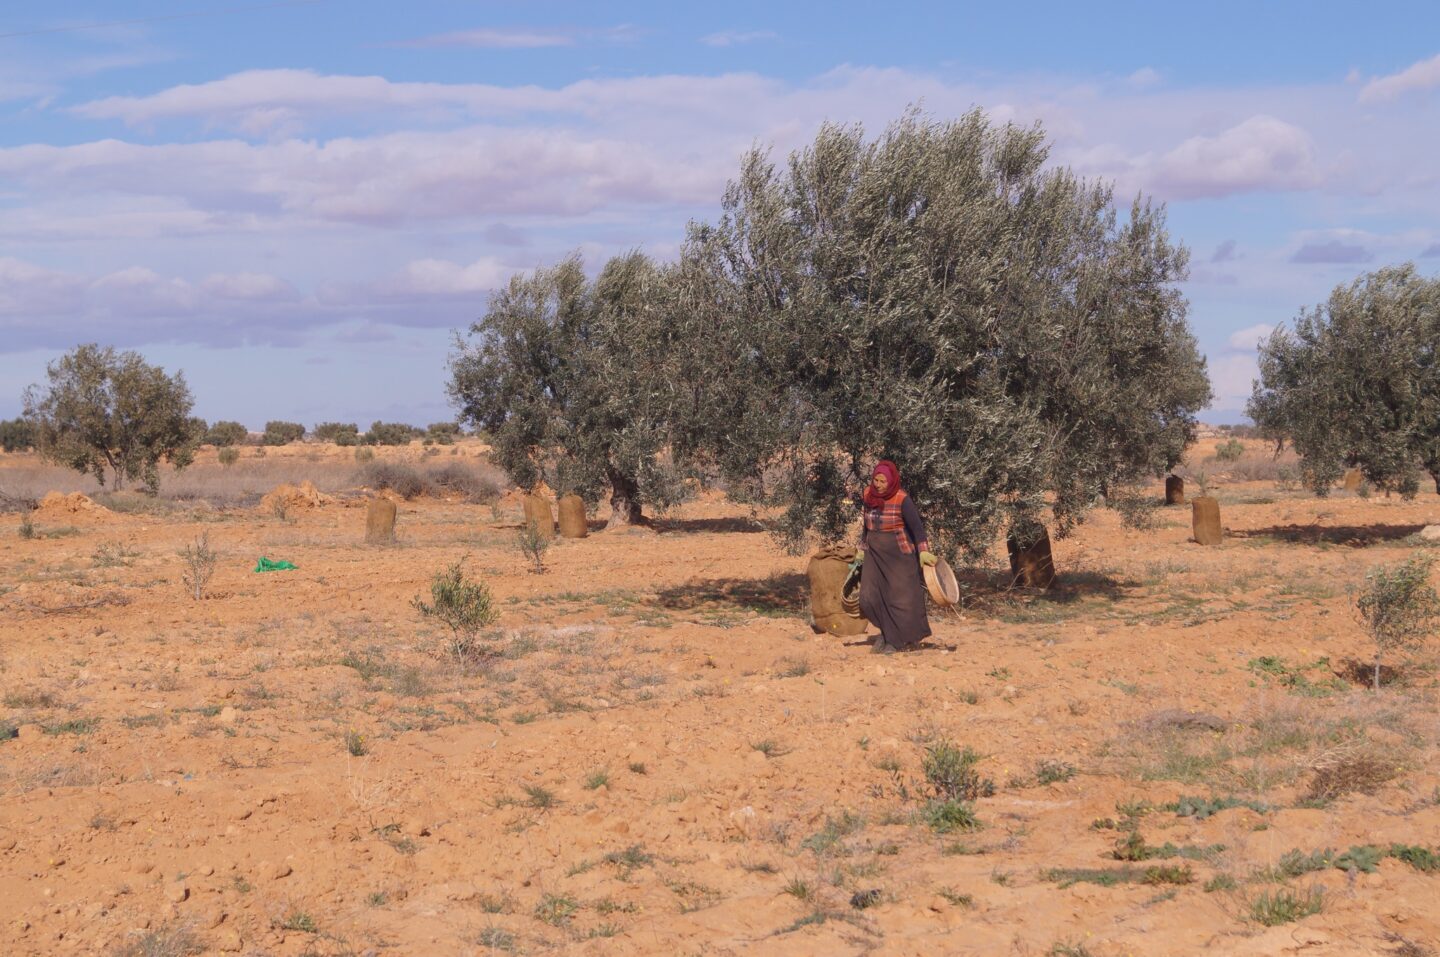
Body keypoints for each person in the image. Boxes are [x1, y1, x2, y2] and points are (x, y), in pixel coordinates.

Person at [854, 460, 935, 653]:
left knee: (900, 599)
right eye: (876, 480)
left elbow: (917, 528)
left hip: (899, 553)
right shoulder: (867, 495)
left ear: (891, 481)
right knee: (868, 597)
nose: (878, 485)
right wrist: (860, 549)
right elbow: (866, 526)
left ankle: (895, 641)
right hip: (874, 552)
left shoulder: (902, 499)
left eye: (883, 481)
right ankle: (887, 632)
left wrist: (923, 550)